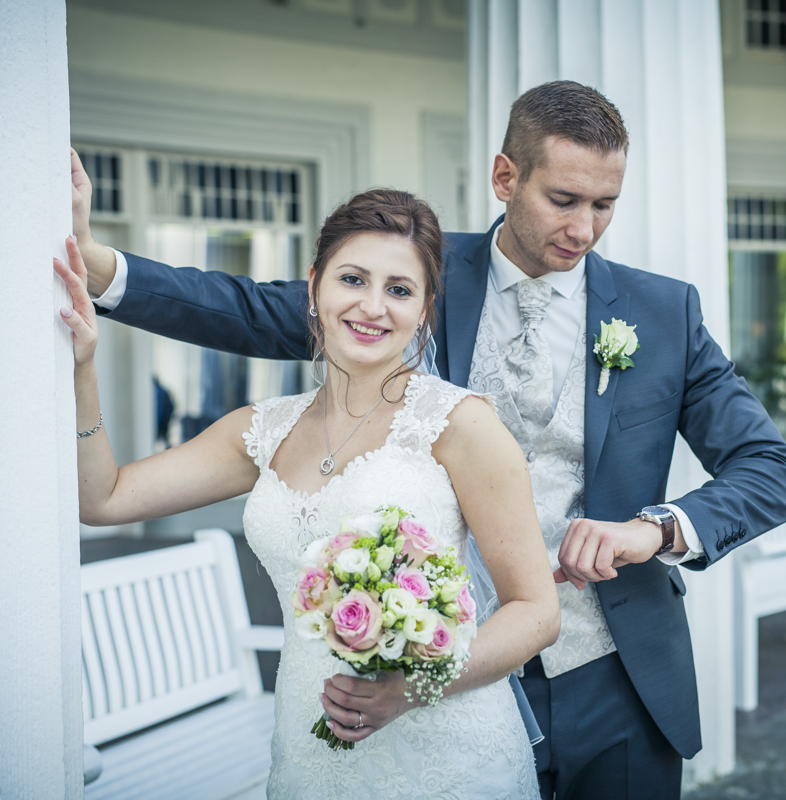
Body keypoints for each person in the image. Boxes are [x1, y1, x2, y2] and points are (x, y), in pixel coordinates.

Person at [70, 81, 786, 800]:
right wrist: (96, 264)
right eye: (563, 200)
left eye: (604, 205)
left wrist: (654, 530)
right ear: (504, 177)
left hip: (611, 672)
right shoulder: (412, 275)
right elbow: (249, 309)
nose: (584, 229)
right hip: (425, 680)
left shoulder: (662, 312)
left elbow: (770, 470)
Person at [55, 189, 560, 800]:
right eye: (353, 279)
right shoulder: (261, 431)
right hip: (310, 747)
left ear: (426, 307)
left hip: (449, 758)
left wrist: (413, 686)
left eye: (400, 290)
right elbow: (103, 498)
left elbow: (536, 612)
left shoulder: (462, 425)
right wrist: (82, 367)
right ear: (315, 285)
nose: (373, 307)